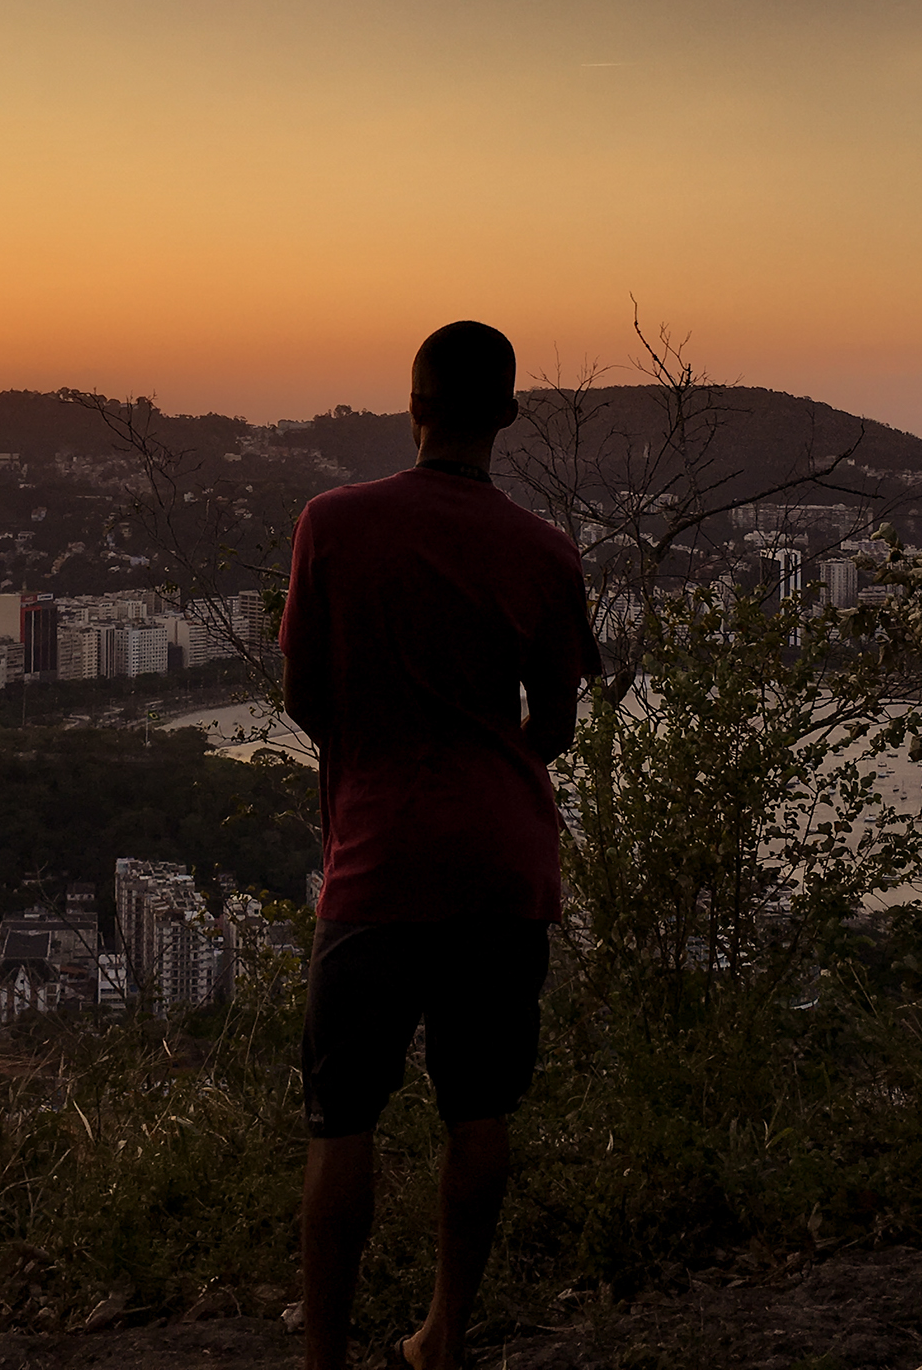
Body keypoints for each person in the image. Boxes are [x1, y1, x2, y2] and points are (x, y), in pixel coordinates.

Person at [280, 320, 602, 1370]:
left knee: (342, 1120)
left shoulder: (330, 524)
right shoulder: (547, 551)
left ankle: (324, 1355)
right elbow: (551, 726)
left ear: (410, 408)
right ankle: (440, 1336)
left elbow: (308, 697)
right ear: (506, 417)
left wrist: (383, 746)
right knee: (478, 1106)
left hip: (377, 858)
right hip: (503, 864)